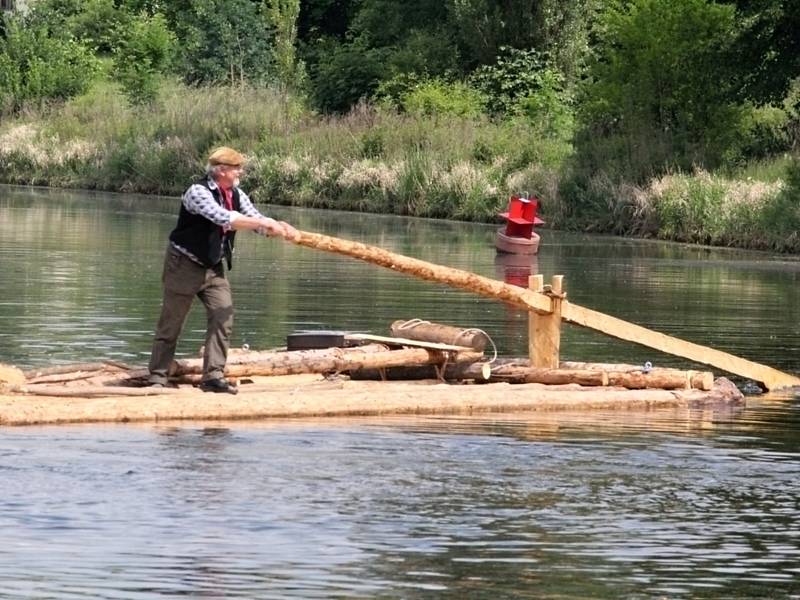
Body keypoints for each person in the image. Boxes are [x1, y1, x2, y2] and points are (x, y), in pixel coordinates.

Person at [148, 146, 298, 394]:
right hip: (184, 264)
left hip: (213, 266)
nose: (241, 172)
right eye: (237, 168)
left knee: (223, 316)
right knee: (171, 323)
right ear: (222, 170)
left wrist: (280, 228)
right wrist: (264, 223)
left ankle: (213, 377)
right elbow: (224, 218)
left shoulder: (236, 193)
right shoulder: (197, 192)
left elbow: (255, 220)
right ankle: (158, 376)